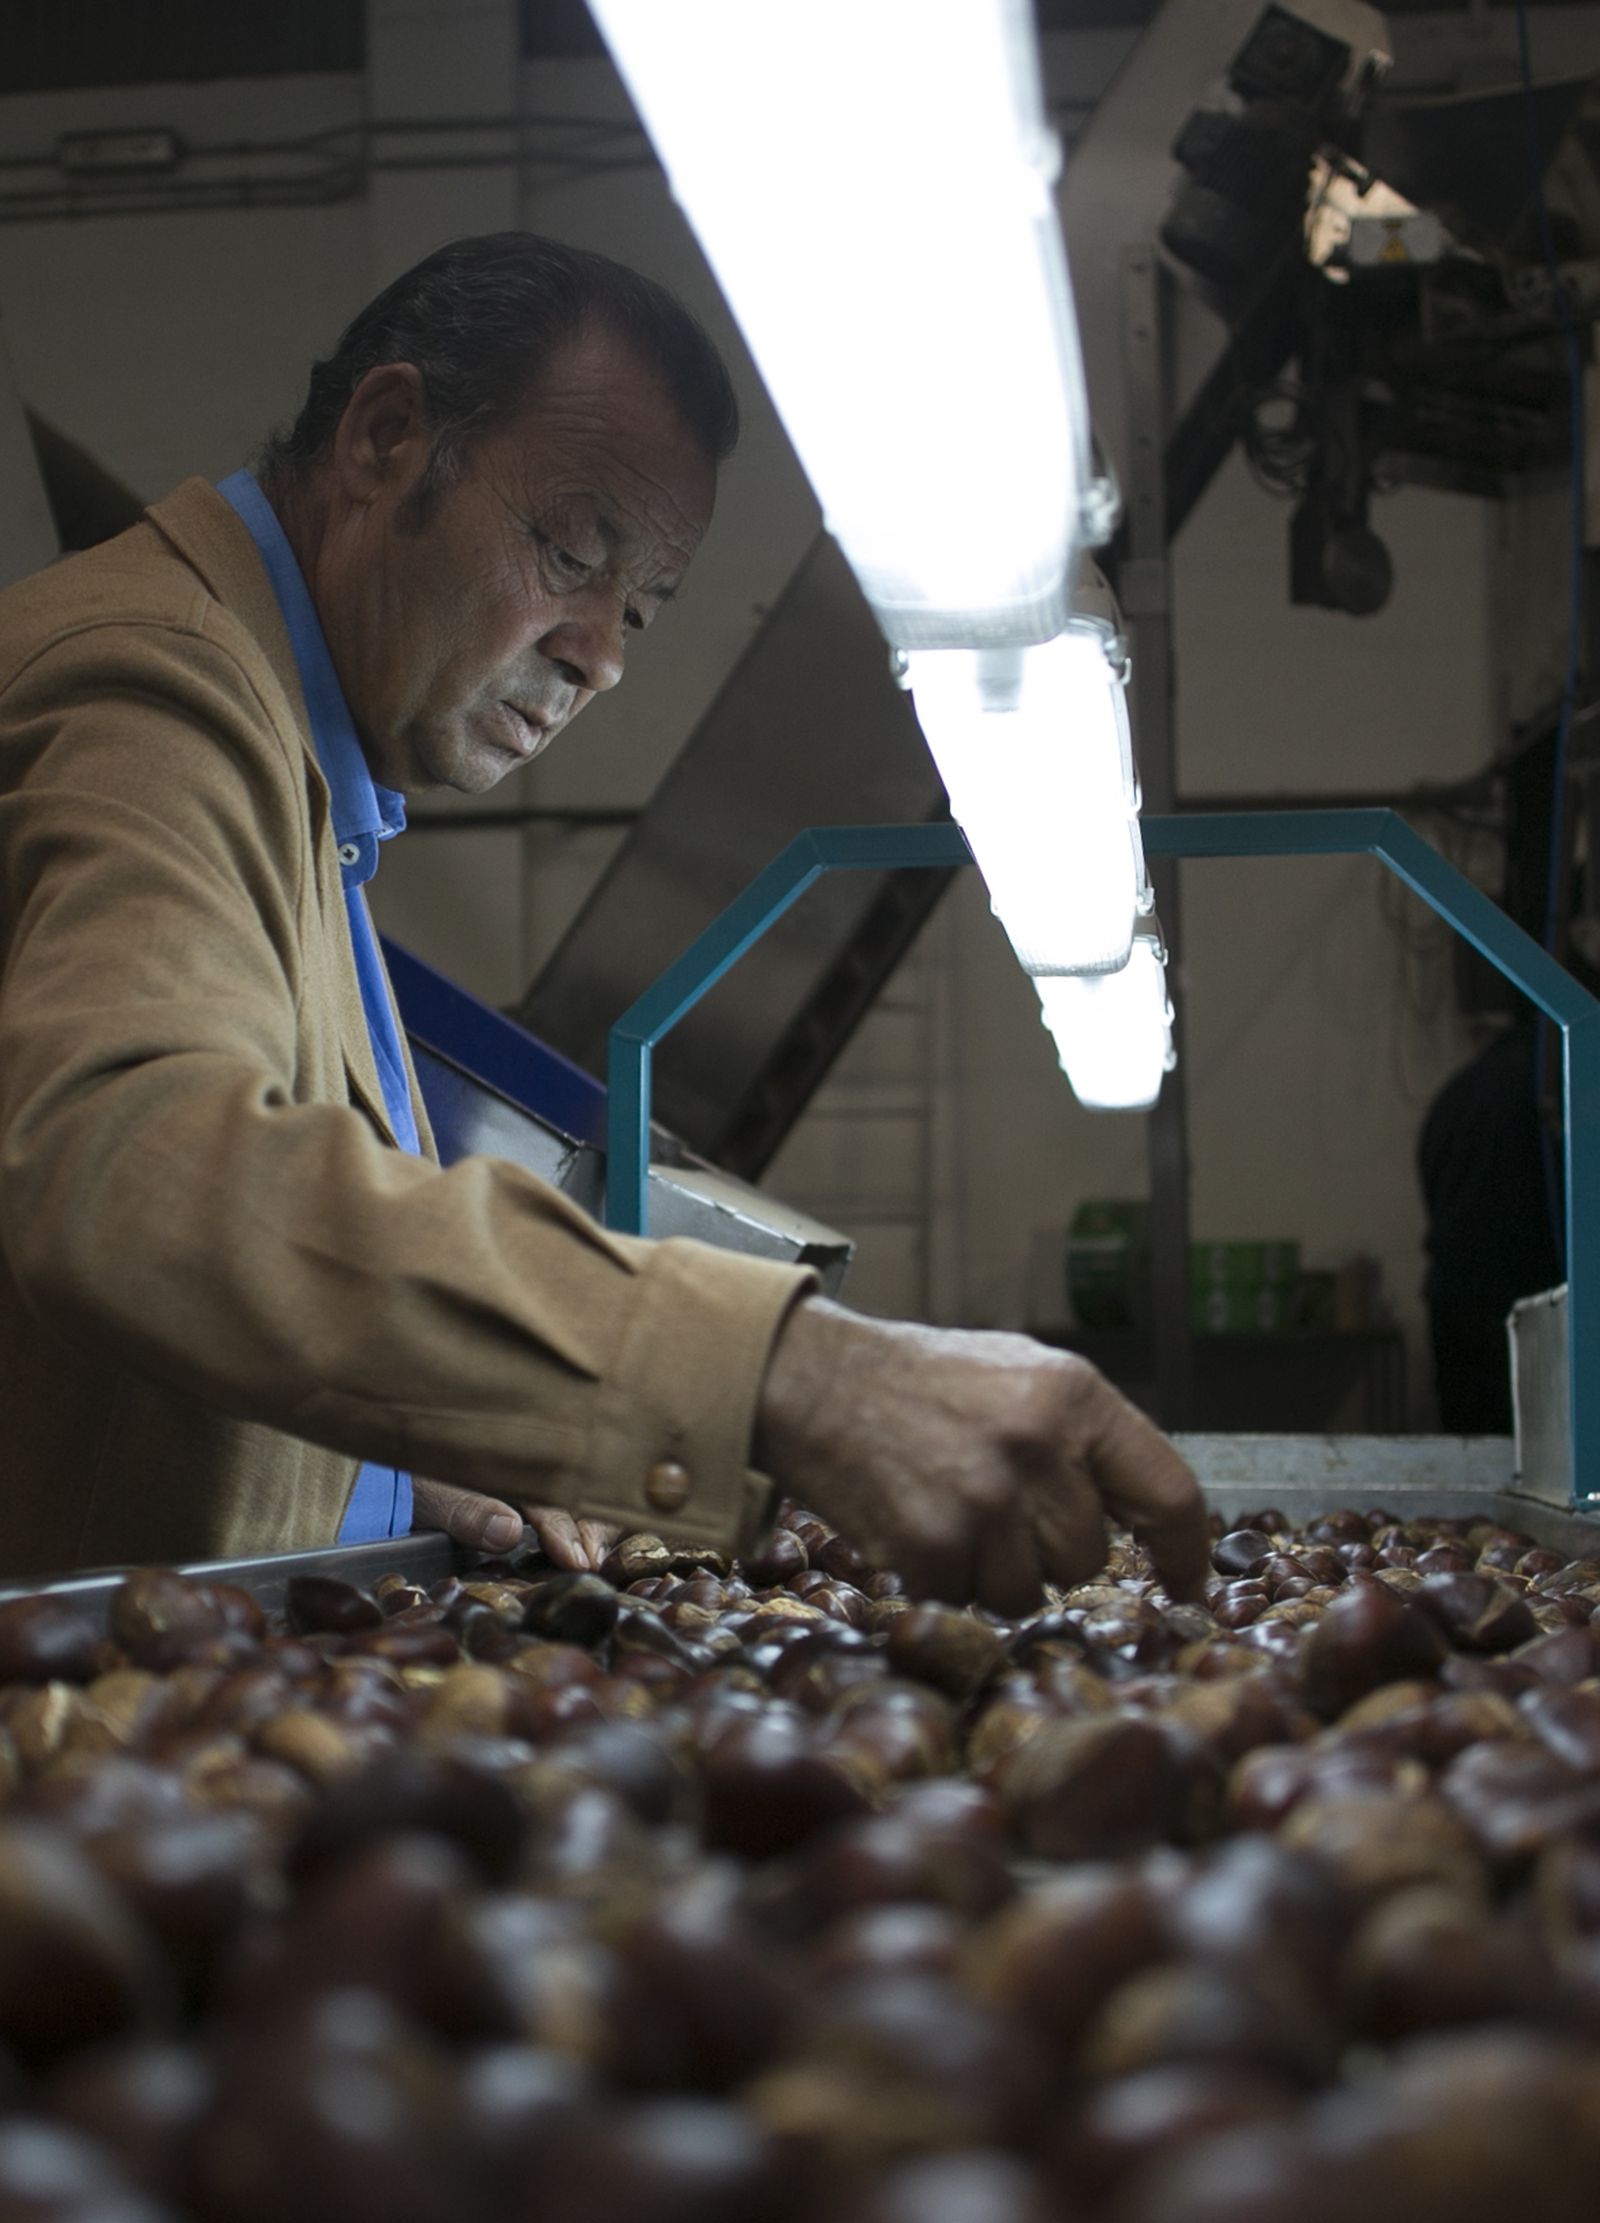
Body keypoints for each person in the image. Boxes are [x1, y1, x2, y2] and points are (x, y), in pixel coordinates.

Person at [0, 231, 1206, 1612]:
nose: (602, 655)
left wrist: (373, 1456)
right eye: (571, 552)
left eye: (637, 607)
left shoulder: (310, 764)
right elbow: (129, 1169)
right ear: (385, 438)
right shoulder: (151, 692)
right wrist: (788, 1374)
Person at [1418, 1017, 1563, 1434]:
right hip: (1526, 1307)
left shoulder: (1457, 1093)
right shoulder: (1545, 1095)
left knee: (1470, 1446)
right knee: (1535, 1444)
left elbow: (1430, 1181)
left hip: (1455, 1304)